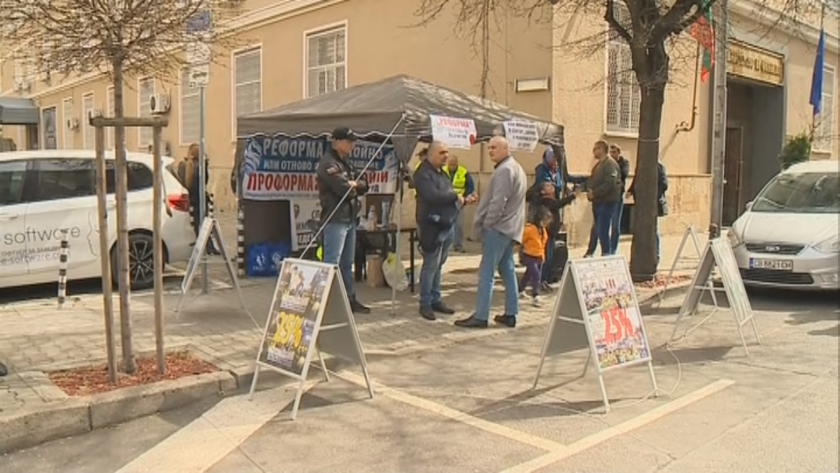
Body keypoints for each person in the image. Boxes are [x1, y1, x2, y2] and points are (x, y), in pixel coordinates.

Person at [455, 136, 527, 329]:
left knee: (486, 272)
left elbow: (498, 202)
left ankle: (481, 316)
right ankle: (511, 313)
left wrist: (488, 224)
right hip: (510, 228)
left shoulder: (505, 170)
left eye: (494, 148)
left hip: (499, 228)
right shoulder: (517, 168)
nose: (490, 151)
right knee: (507, 270)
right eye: (489, 148)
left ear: (506, 149)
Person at [413, 141, 473, 320]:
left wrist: (464, 199)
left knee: (439, 265)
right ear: (431, 154)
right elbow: (433, 196)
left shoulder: (442, 173)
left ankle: (435, 299)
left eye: (447, 152)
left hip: (447, 224)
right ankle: (425, 303)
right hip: (431, 225)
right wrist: (455, 196)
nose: (445, 155)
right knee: (430, 264)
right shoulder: (422, 174)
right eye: (442, 152)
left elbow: (447, 195)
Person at [315, 127, 371, 314]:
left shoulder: (346, 163)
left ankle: (349, 299)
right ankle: (325, 303)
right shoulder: (327, 163)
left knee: (347, 263)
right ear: (336, 142)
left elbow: (365, 184)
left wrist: (355, 184)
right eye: (348, 141)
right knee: (332, 262)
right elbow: (343, 189)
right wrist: (353, 185)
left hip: (350, 218)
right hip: (335, 219)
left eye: (353, 141)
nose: (352, 144)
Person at [527, 181, 581, 284]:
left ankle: (544, 279)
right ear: (543, 191)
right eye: (547, 185)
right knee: (545, 258)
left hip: (551, 233)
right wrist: (572, 196)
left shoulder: (549, 200)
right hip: (546, 233)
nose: (551, 186)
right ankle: (541, 280)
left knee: (549, 258)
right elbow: (558, 204)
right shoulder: (545, 201)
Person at [583, 144, 630, 257]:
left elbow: (610, 183)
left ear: (602, 149)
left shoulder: (610, 164)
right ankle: (591, 252)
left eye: (596, 149)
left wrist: (595, 193)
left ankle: (607, 254)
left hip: (607, 202)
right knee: (597, 229)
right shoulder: (598, 166)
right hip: (598, 202)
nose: (593, 151)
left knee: (603, 230)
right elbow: (592, 181)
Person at [627, 160, 669, 264]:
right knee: (641, 228)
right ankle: (642, 255)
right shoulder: (641, 165)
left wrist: (653, 194)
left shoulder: (659, 166)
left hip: (653, 203)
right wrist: (631, 190)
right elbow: (637, 179)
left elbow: (664, 184)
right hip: (641, 202)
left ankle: (656, 254)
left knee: (653, 229)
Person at [185, 143, 219, 255]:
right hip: (200, 198)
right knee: (204, 224)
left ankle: (201, 247)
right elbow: (204, 181)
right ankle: (208, 247)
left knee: (197, 224)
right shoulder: (200, 166)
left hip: (193, 198)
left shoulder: (188, 165)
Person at [519, 207, 551, 307]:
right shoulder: (529, 229)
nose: (546, 224)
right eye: (545, 221)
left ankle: (520, 290)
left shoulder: (543, 231)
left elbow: (543, 244)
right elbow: (521, 240)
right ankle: (535, 295)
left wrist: (542, 256)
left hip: (538, 256)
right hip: (528, 255)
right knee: (536, 275)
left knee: (528, 274)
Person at [445, 154, 476, 252]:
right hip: (445, 200)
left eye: (454, 164)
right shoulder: (442, 171)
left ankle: (457, 245)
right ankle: (446, 245)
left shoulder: (463, 171)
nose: (452, 167)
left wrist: (466, 197)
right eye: (450, 165)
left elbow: (470, 186)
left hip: (459, 201)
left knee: (458, 224)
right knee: (446, 224)